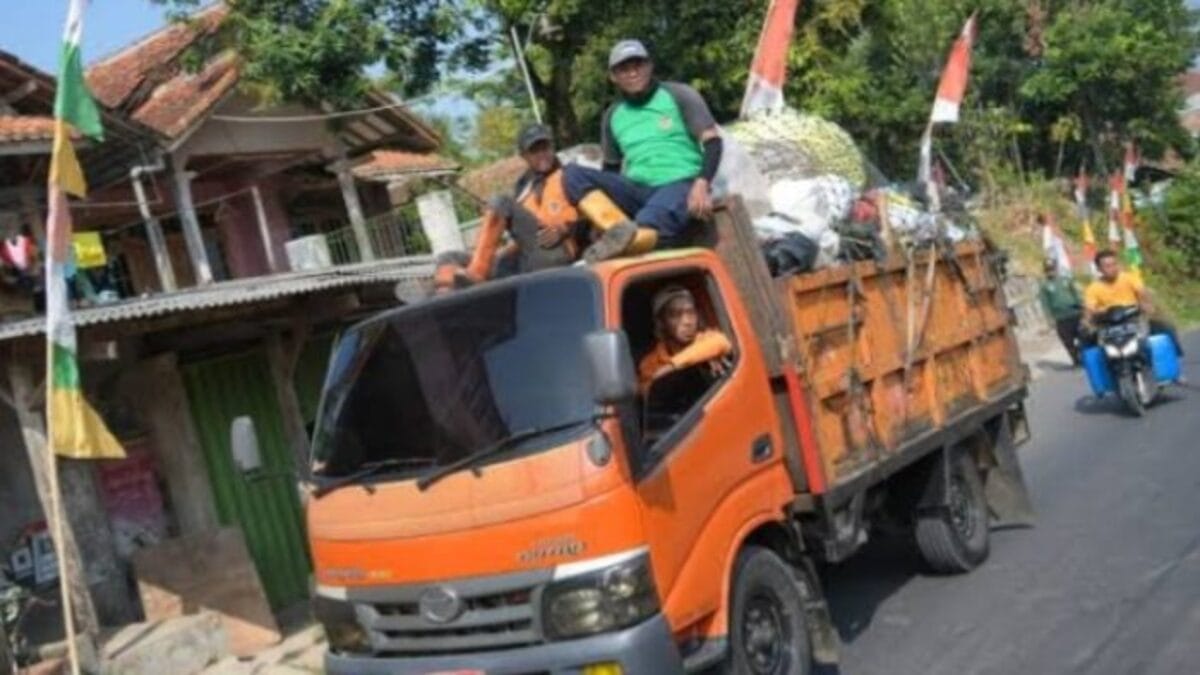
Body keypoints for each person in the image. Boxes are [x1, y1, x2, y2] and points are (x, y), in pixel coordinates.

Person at [433, 123, 649, 294]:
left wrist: (566, 229)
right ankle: (444, 295)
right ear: (524, 156)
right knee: (448, 258)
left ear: (552, 147)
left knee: (501, 201)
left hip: (559, 252)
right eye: (534, 151)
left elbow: (597, 217)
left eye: (544, 147)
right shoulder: (523, 187)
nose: (542, 154)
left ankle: (478, 272)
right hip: (528, 256)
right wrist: (499, 254)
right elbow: (521, 233)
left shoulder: (571, 176)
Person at [562, 39, 724, 257]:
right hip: (637, 189)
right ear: (613, 77)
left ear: (649, 66)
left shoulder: (678, 94)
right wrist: (595, 221)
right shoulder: (613, 115)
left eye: (637, 65)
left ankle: (632, 239)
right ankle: (614, 232)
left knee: (648, 219)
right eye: (624, 69)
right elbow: (611, 168)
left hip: (681, 184)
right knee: (572, 174)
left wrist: (702, 182)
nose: (632, 73)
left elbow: (713, 142)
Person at [1083, 250, 1183, 356]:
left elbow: (1141, 292)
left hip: (1133, 317)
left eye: (1114, 264)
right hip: (1109, 323)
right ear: (1099, 269)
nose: (1112, 268)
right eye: (1107, 266)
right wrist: (1087, 320)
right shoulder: (1093, 288)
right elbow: (1090, 308)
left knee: (1165, 326)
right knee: (1085, 337)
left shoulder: (1128, 278)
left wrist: (1145, 304)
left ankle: (1174, 355)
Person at [637, 285, 733, 394]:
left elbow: (721, 342)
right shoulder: (651, 363)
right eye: (676, 315)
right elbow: (646, 393)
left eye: (691, 313)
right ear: (661, 322)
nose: (687, 322)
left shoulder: (705, 341)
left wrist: (672, 366)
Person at [1037, 259, 1084, 365]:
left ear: (1056, 269)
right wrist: (1050, 319)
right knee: (1068, 341)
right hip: (1061, 317)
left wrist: (1083, 307)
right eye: (1048, 270)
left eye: (1052, 269)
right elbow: (1045, 304)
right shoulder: (1044, 286)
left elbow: (1076, 294)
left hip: (1075, 313)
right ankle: (1076, 359)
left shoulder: (1066, 280)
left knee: (1084, 336)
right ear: (1045, 271)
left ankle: (1084, 354)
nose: (1050, 272)